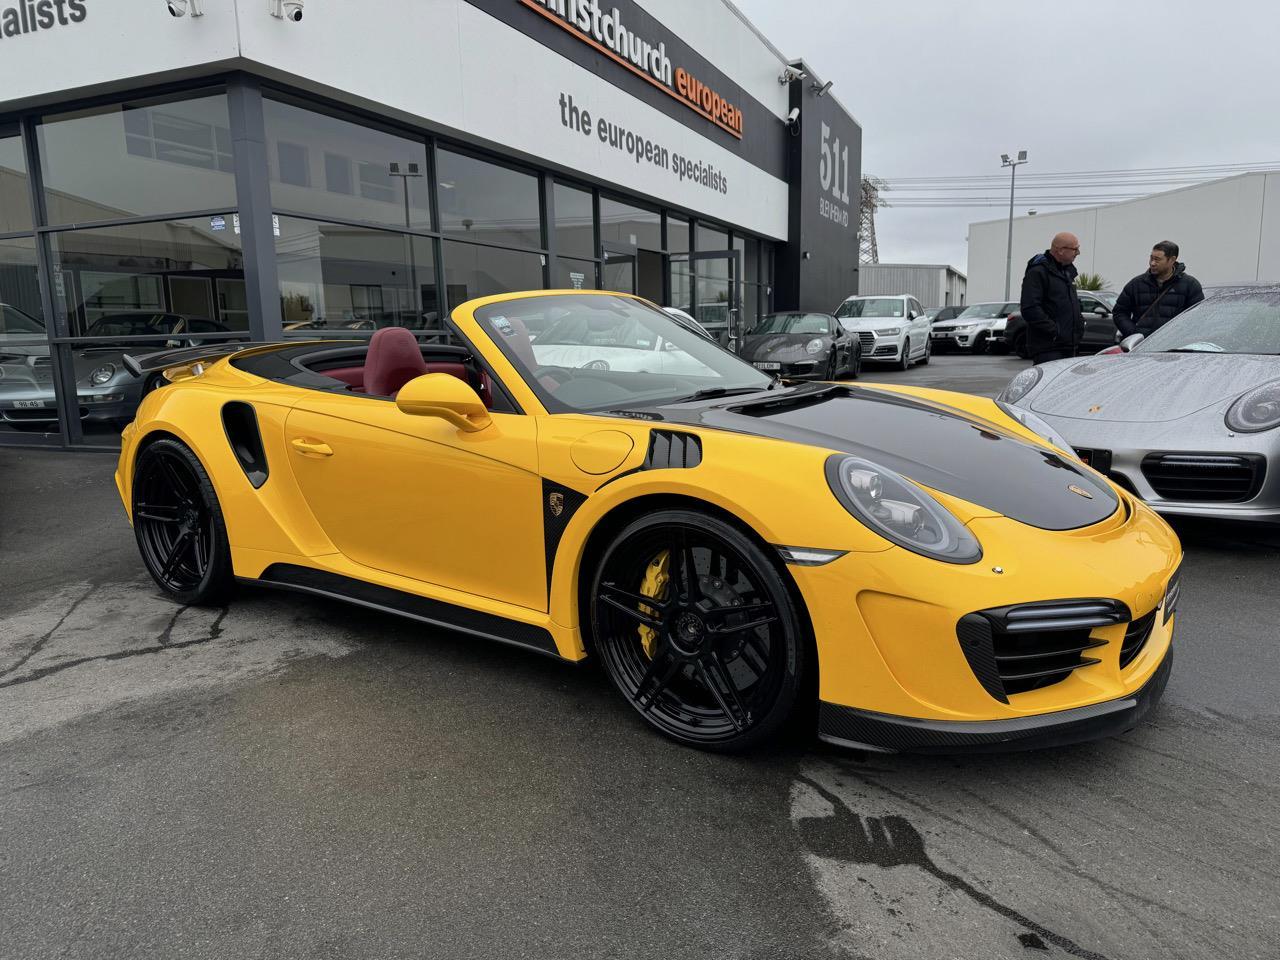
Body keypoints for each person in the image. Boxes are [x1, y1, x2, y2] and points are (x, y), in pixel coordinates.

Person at [1113, 241, 1205, 338]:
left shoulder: (1190, 285)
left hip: (1173, 348)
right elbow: (1119, 312)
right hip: (1140, 347)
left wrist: (1180, 338)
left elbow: (1197, 317)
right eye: (1151, 258)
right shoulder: (1136, 284)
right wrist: (1133, 334)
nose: (1152, 263)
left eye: (1157, 260)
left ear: (1172, 260)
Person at [1019, 232, 1083, 365]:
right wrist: (1055, 331)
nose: (1078, 253)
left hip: (1069, 346)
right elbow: (1030, 308)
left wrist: (1079, 324)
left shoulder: (1067, 272)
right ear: (1060, 250)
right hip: (1048, 348)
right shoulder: (1038, 272)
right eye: (1075, 249)